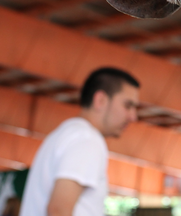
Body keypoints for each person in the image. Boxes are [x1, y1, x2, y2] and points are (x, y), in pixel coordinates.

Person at [19, 67, 140, 216]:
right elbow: (58, 210)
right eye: (127, 106)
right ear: (100, 100)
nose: (133, 116)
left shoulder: (65, 134)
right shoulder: (87, 140)